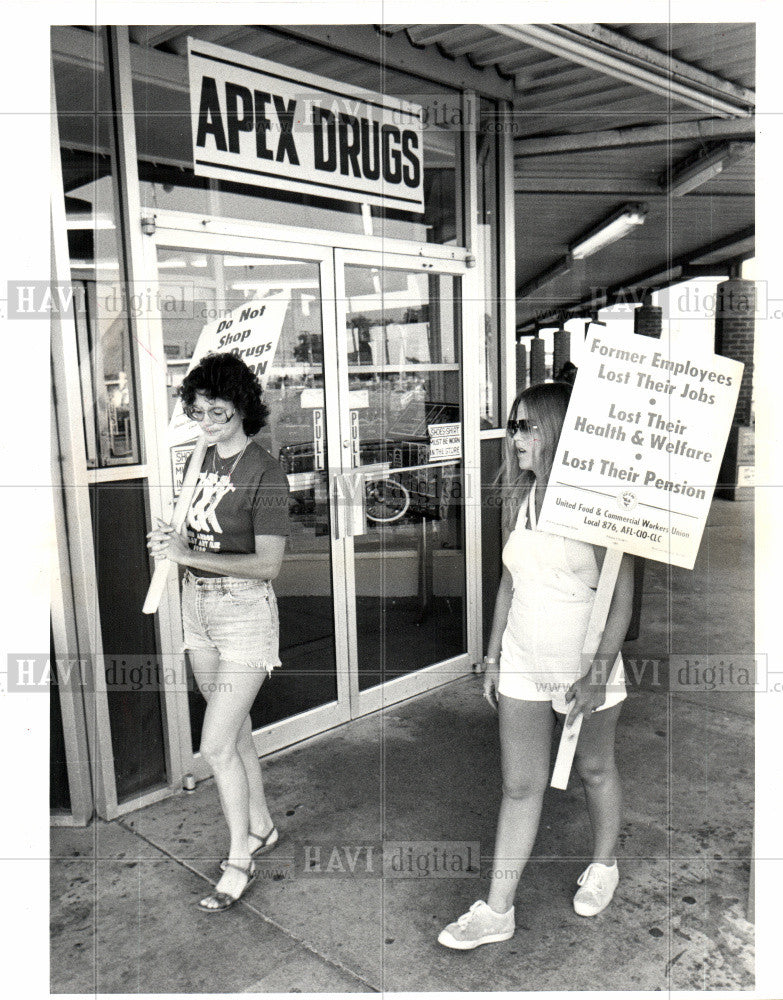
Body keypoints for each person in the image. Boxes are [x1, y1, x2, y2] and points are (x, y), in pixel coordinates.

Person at [438, 380, 634, 949]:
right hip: (524, 657)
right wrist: (494, 656)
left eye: (526, 426)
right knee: (520, 786)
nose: (515, 437)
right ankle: (497, 910)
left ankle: (604, 865)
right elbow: (507, 583)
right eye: (513, 426)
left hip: (585, 666)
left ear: (556, 429)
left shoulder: (598, 505)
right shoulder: (520, 498)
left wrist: (598, 672)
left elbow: (621, 598)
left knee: (594, 769)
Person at [147, 352, 290, 913]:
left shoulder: (266, 471)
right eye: (199, 411)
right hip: (197, 608)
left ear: (244, 412)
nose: (206, 423)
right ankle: (260, 825)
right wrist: (173, 539)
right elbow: (195, 532)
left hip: (244, 613)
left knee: (213, 743)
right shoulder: (199, 460)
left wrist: (191, 555)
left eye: (219, 414)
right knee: (236, 731)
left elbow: (269, 565)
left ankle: (239, 858)